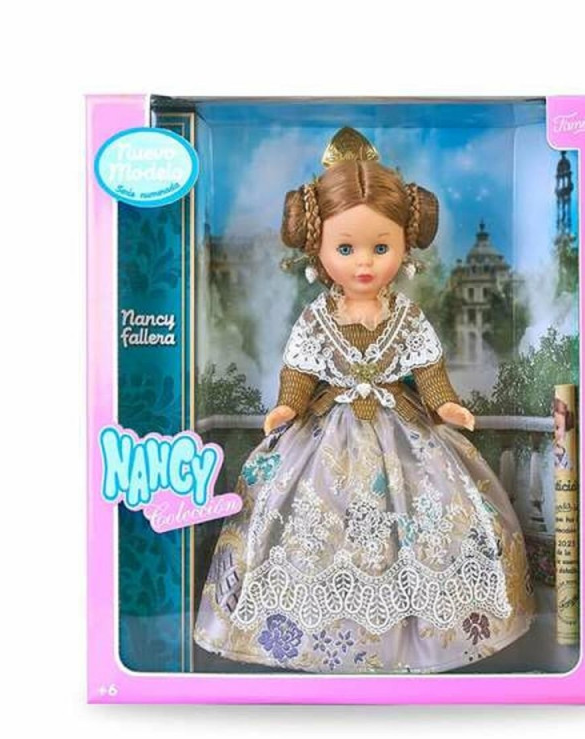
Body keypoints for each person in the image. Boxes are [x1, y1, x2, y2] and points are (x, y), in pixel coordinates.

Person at [194, 128, 534, 673]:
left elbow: (429, 371)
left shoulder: (407, 316)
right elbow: (299, 372)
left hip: (406, 435)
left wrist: (446, 405)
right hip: (324, 440)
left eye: (381, 248)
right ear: (318, 248)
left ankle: (416, 633)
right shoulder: (317, 318)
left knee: (420, 527)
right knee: (316, 527)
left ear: (405, 245)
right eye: (346, 248)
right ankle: (323, 631)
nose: (364, 264)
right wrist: (287, 407)